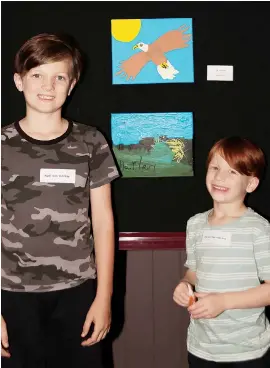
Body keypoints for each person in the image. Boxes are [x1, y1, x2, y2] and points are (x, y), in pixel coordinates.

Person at [1, 32, 120, 368]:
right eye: (37, 74)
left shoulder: (91, 141)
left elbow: (104, 222)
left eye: (59, 77)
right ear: (18, 81)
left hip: (78, 292)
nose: (47, 85)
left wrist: (104, 297)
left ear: (72, 84)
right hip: (11, 296)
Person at [173, 137, 270, 367]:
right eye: (215, 167)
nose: (219, 177)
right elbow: (193, 272)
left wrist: (224, 301)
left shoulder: (259, 229)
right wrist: (184, 285)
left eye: (233, 172)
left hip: (247, 351)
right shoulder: (195, 224)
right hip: (201, 347)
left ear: (251, 184)